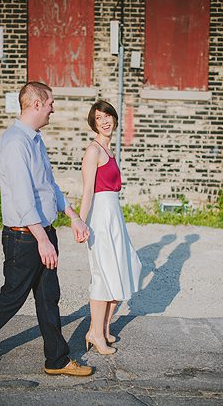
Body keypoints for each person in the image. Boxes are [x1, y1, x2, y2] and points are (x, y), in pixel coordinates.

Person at [0, 81, 92, 378]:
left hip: (42, 232)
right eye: (51, 103)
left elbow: (48, 187)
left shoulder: (35, 139)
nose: (54, 108)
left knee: (48, 297)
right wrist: (42, 240)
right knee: (12, 297)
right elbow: (22, 197)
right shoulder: (15, 142)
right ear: (36, 104)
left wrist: (73, 216)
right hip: (25, 236)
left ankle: (56, 360)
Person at [78, 100, 142, 355]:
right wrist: (80, 222)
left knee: (121, 270)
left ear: (114, 118)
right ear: (93, 123)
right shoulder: (93, 151)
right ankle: (94, 333)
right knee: (103, 276)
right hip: (101, 218)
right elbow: (87, 193)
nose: (104, 121)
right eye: (98, 118)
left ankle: (103, 329)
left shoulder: (110, 151)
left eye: (107, 116)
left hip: (114, 217)